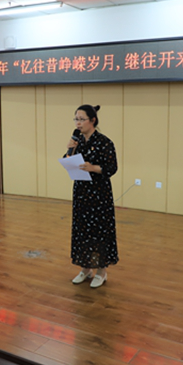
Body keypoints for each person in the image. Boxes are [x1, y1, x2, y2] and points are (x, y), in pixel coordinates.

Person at [65, 104, 119, 288]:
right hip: (81, 192)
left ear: (92, 120)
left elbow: (112, 168)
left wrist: (93, 168)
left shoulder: (104, 142)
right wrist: (69, 150)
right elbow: (69, 161)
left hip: (99, 194)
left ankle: (101, 271)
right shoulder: (77, 141)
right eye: (76, 119)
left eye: (82, 119)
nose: (78, 123)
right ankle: (86, 268)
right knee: (82, 231)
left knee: (99, 231)